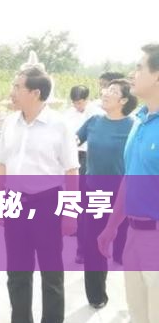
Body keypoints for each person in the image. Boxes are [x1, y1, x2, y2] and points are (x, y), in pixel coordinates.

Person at [0, 67, 79, 323]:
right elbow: (2, 163)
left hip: (47, 202)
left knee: (51, 273)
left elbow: (71, 171)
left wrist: (70, 212)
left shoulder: (59, 125)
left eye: (17, 86)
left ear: (35, 93)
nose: (12, 91)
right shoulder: (10, 122)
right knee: (17, 271)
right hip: (15, 201)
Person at [98, 44, 159, 323]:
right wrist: (111, 227)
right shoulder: (140, 121)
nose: (133, 73)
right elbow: (129, 178)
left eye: (139, 67)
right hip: (135, 237)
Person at [78, 79, 137, 309]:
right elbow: (73, 140)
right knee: (93, 243)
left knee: (125, 246)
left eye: (112, 91)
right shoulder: (93, 121)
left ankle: (135, 296)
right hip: (95, 193)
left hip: (123, 195)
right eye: (106, 89)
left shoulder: (133, 126)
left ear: (123, 100)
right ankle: (96, 295)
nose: (105, 93)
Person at [64, 85, 104, 264]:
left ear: (87, 99)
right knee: (80, 207)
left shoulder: (97, 114)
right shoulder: (67, 115)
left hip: (92, 159)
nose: (77, 106)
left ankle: (98, 245)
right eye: (74, 102)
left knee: (93, 206)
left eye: (80, 102)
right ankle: (81, 249)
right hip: (75, 160)